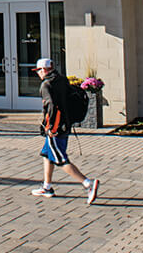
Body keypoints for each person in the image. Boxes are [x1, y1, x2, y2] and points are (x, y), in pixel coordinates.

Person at [32, 57, 99, 204]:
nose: (38, 74)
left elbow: (51, 107)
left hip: (56, 128)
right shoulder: (62, 79)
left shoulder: (46, 85)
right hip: (66, 123)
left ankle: (88, 184)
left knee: (60, 159)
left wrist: (51, 128)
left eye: (38, 71)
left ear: (44, 70)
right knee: (46, 153)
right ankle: (47, 186)